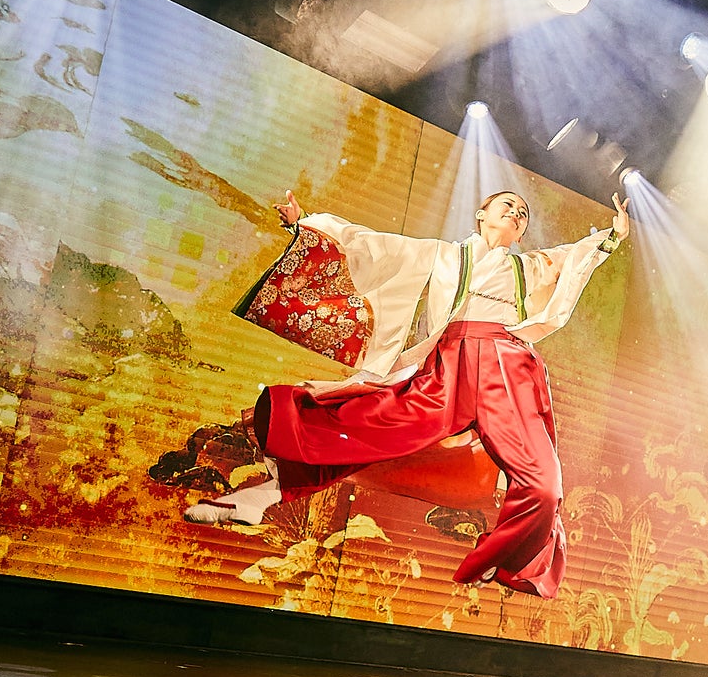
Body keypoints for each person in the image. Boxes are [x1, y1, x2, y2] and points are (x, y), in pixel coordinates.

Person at [183, 186, 629, 598]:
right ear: (481, 215)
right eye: (506, 204)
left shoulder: (527, 268)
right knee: (368, 431)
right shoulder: (443, 255)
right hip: (448, 368)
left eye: (523, 213)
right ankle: (256, 498)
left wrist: (613, 234)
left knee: (545, 485)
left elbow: (573, 257)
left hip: (507, 368)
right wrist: (308, 222)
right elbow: (372, 245)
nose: (515, 212)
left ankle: (506, 557)